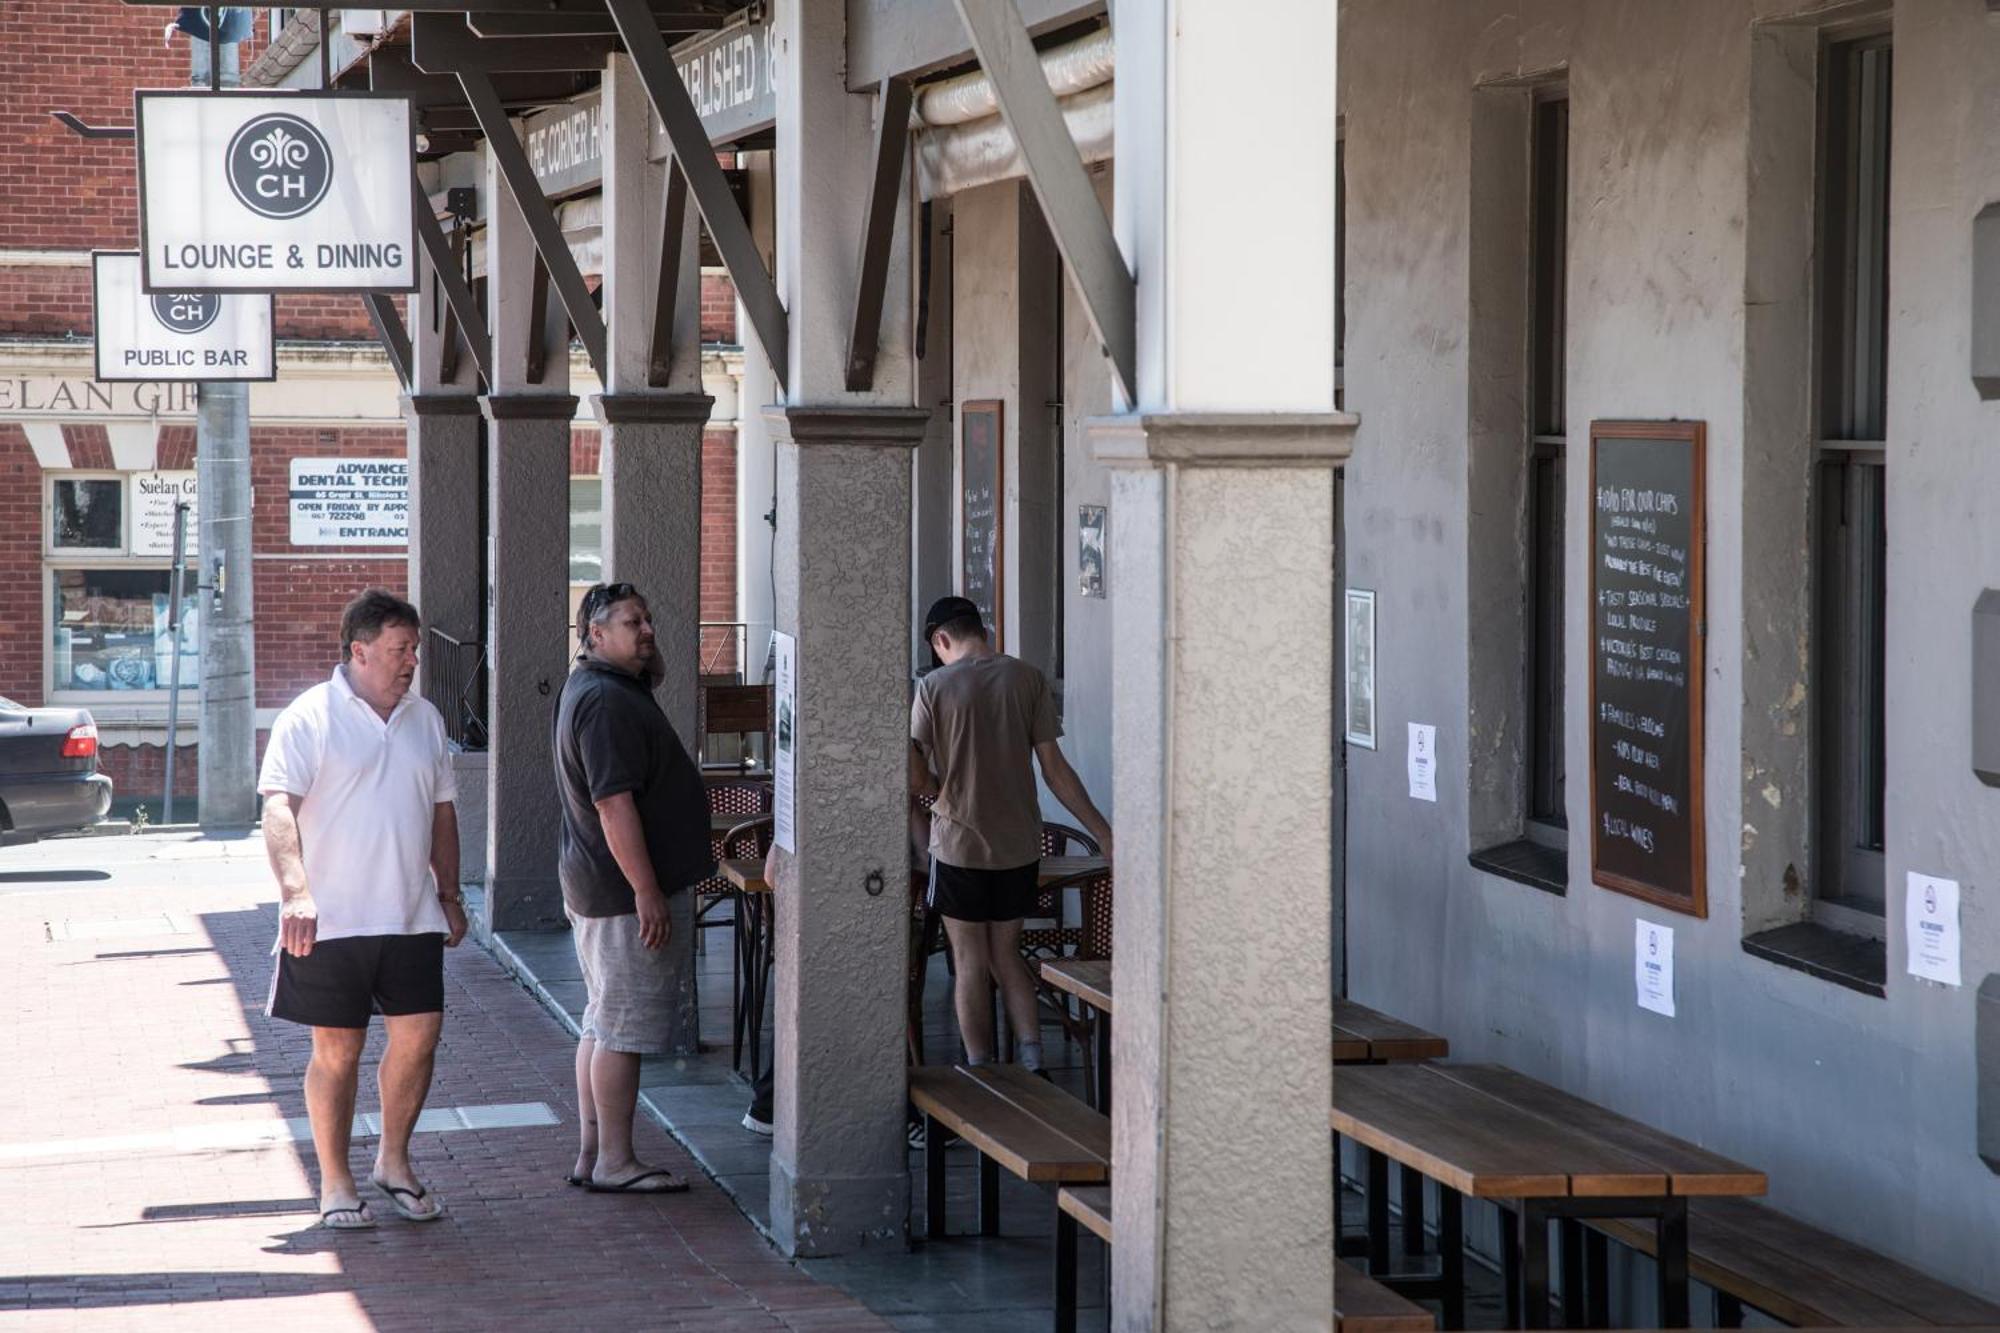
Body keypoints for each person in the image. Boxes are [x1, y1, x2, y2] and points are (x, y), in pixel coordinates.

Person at [259, 588, 465, 1231]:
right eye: (400, 650)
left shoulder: (425, 719)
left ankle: (393, 1163)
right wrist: (296, 893)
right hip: (333, 919)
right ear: (360, 651)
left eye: (415, 651)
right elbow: (277, 808)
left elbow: (442, 812)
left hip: (410, 914)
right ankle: (336, 1182)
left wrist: (451, 893)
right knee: (338, 1051)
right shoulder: (310, 716)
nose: (411, 662)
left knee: (419, 1036)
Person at [909, 596, 1112, 1074]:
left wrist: (940, 793)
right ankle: (1032, 1059)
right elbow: (1056, 771)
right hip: (1020, 845)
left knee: (969, 960)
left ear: (941, 640)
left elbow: (912, 772)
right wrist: (1103, 831)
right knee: (1006, 951)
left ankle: (982, 1071)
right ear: (982, 629)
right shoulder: (1027, 678)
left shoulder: (933, 686)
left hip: (958, 844)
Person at [554, 582, 712, 1192]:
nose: (647, 630)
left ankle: (594, 1155)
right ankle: (616, 1161)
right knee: (621, 1028)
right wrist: (647, 890)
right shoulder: (604, 701)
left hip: (601, 886)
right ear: (595, 635)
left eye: (647, 619)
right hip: (623, 895)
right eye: (631, 623)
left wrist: (646, 655)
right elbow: (614, 803)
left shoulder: (605, 687)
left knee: (601, 1021)